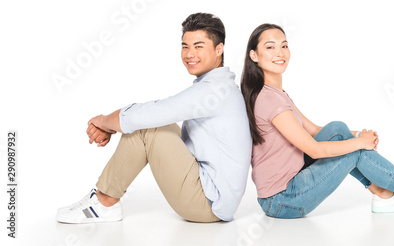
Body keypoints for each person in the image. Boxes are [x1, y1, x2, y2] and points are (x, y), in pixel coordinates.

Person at [240, 23, 394, 218]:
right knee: (352, 151)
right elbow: (314, 150)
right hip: (283, 200)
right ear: (254, 56)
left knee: (338, 129)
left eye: (284, 45)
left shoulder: (275, 93)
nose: (280, 52)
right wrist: (359, 144)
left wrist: (358, 135)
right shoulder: (269, 99)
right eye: (270, 47)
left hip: (287, 188)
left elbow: (314, 130)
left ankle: (383, 195)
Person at [57, 13, 252, 223]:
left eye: (198, 46)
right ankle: (104, 200)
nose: (189, 54)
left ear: (219, 49)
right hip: (213, 194)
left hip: (208, 205)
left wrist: (104, 122)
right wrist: (112, 124)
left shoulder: (214, 91)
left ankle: (104, 203)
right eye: (185, 46)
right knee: (154, 123)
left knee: (146, 127)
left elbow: (154, 112)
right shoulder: (219, 86)